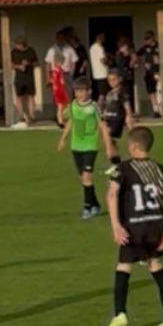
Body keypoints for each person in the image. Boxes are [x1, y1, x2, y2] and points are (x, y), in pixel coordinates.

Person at [103, 126, 163, 326]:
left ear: (133, 146)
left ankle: (120, 314)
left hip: (134, 226)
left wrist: (116, 225)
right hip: (156, 226)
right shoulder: (158, 168)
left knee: (124, 267)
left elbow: (111, 195)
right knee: (156, 266)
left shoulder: (124, 168)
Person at [57, 76, 106, 219]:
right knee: (84, 179)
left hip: (90, 145)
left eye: (83, 91)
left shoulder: (93, 106)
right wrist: (63, 139)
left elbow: (102, 124)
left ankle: (87, 207)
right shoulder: (73, 105)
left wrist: (107, 142)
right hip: (76, 146)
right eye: (77, 91)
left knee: (86, 177)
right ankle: (95, 204)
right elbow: (71, 122)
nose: (80, 94)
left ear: (89, 91)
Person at [99, 67, 134, 166]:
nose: (111, 82)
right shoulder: (109, 93)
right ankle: (117, 163)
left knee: (108, 142)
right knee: (111, 142)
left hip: (116, 120)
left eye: (114, 80)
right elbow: (107, 107)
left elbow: (127, 106)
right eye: (109, 80)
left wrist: (129, 117)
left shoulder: (122, 91)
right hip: (108, 119)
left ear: (120, 79)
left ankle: (112, 159)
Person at [45, 30, 76, 124]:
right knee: (58, 98)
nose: (61, 40)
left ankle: (68, 117)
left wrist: (71, 74)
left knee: (69, 96)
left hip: (67, 74)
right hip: (56, 75)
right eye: (59, 38)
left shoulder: (69, 49)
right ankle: (59, 118)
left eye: (62, 38)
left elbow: (74, 61)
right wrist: (48, 78)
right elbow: (47, 64)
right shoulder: (52, 50)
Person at [9, 36, 38, 127]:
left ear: (22, 44)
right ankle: (21, 117)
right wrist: (18, 66)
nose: (16, 46)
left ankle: (32, 117)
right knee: (19, 97)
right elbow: (9, 64)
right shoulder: (13, 52)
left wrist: (28, 63)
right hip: (19, 78)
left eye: (18, 45)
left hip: (29, 77)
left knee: (30, 97)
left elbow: (36, 63)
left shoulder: (31, 51)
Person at [137, 32, 162, 117]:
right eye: (146, 38)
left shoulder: (160, 46)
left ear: (153, 38)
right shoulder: (145, 47)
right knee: (151, 93)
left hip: (158, 73)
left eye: (148, 38)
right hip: (148, 73)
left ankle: (161, 110)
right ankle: (156, 111)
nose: (147, 40)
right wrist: (138, 62)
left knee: (159, 92)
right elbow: (137, 54)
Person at [88, 33, 110, 99]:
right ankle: (99, 108)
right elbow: (102, 60)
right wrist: (109, 62)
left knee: (101, 93)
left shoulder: (92, 47)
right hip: (103, 73)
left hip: (96, 74)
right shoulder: (100, 47)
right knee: (102, 94)